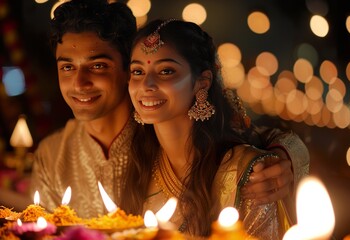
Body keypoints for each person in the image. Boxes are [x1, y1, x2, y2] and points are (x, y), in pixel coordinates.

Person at [29, 0, 308, 221]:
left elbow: (252, 138)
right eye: (67, 67)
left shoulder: (161, 124)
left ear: (128, 67)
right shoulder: (53, 155)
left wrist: (285, 157)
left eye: (98, 65)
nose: (79, 83)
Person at [125, 19, 308, 239]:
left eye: (166, 71)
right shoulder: (139, 161)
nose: (146, 85)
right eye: (137, 71)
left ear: (202, 82)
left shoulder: (248, 174)